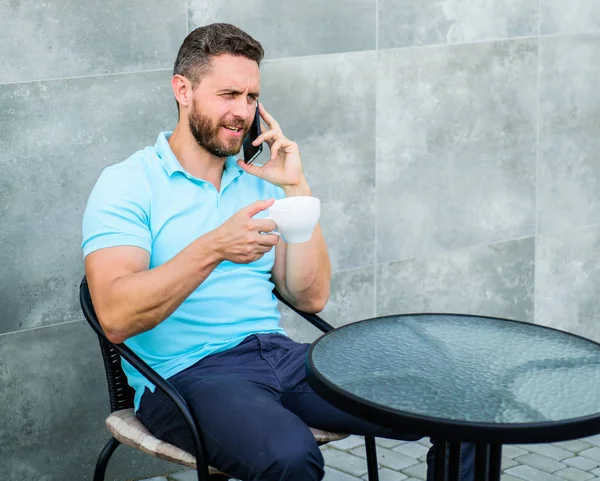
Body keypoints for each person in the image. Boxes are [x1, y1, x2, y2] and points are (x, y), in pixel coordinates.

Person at [82, 23, 474, 481]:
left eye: (251, 98)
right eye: (228, 94)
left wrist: (295, 189)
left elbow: (309, 298)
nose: (242, 112)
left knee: (459, 405)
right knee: (290, 455)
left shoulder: (257, 178)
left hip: (280, 356)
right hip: (186, 377)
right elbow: (114, 315)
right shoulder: (127, 183)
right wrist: (214, 247)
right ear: (183, 90)